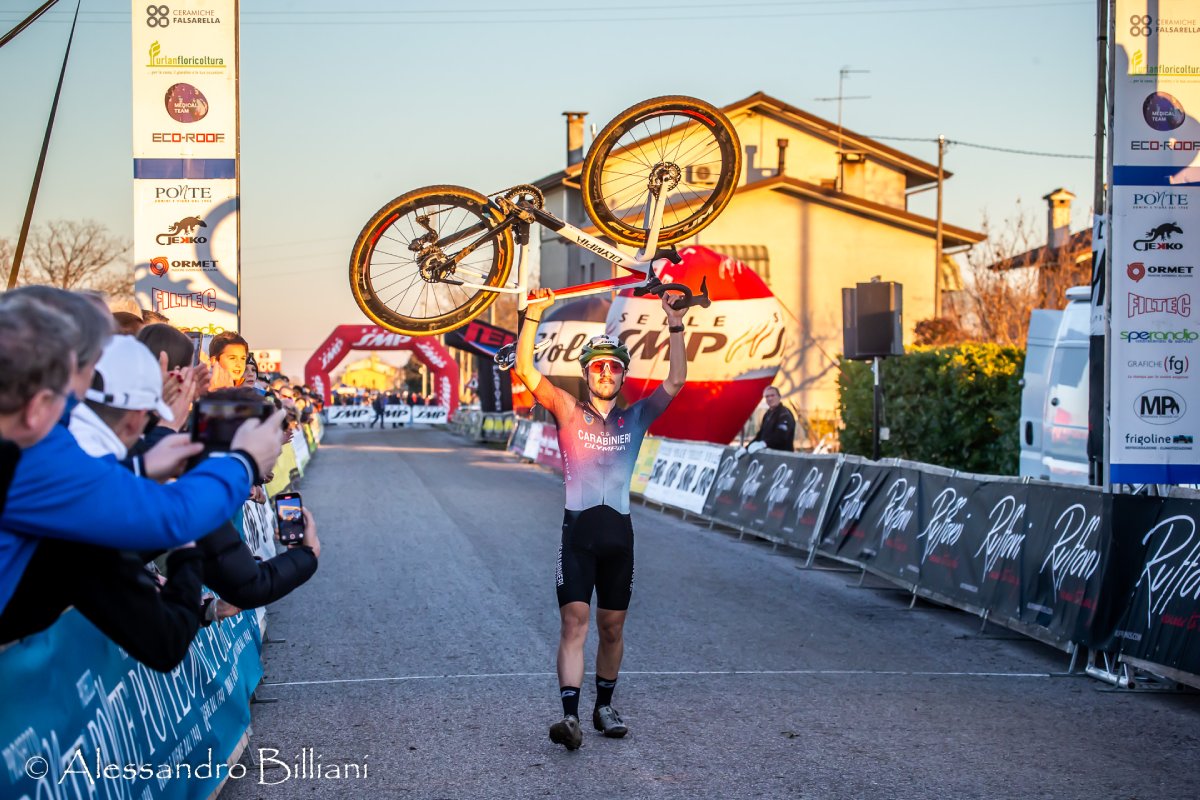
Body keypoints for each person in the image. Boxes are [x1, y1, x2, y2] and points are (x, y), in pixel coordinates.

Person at [514, 287, 688, 751]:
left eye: (614, 367)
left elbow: (676, 381)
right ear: (587, 374)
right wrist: (533, 315)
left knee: (612, 628)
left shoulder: (636, 417)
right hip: (579, 537)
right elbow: (526, 370)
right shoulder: (568, 410)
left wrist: (674, 323)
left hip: (620, 541)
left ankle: (603, 706)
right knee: (575, 622)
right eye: (598, 367)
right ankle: (570, 717)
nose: (606, 373)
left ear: (623, 375)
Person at [739, 385, 796, 455]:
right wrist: (746, 448)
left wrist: (764, 443)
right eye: (767, 396)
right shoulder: (767, 414)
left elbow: (781, 436)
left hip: (783, 457)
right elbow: (760, 436)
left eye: (772, 395)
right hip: (768, 457)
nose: (770, 399)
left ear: (779, 397)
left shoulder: (784, 414)